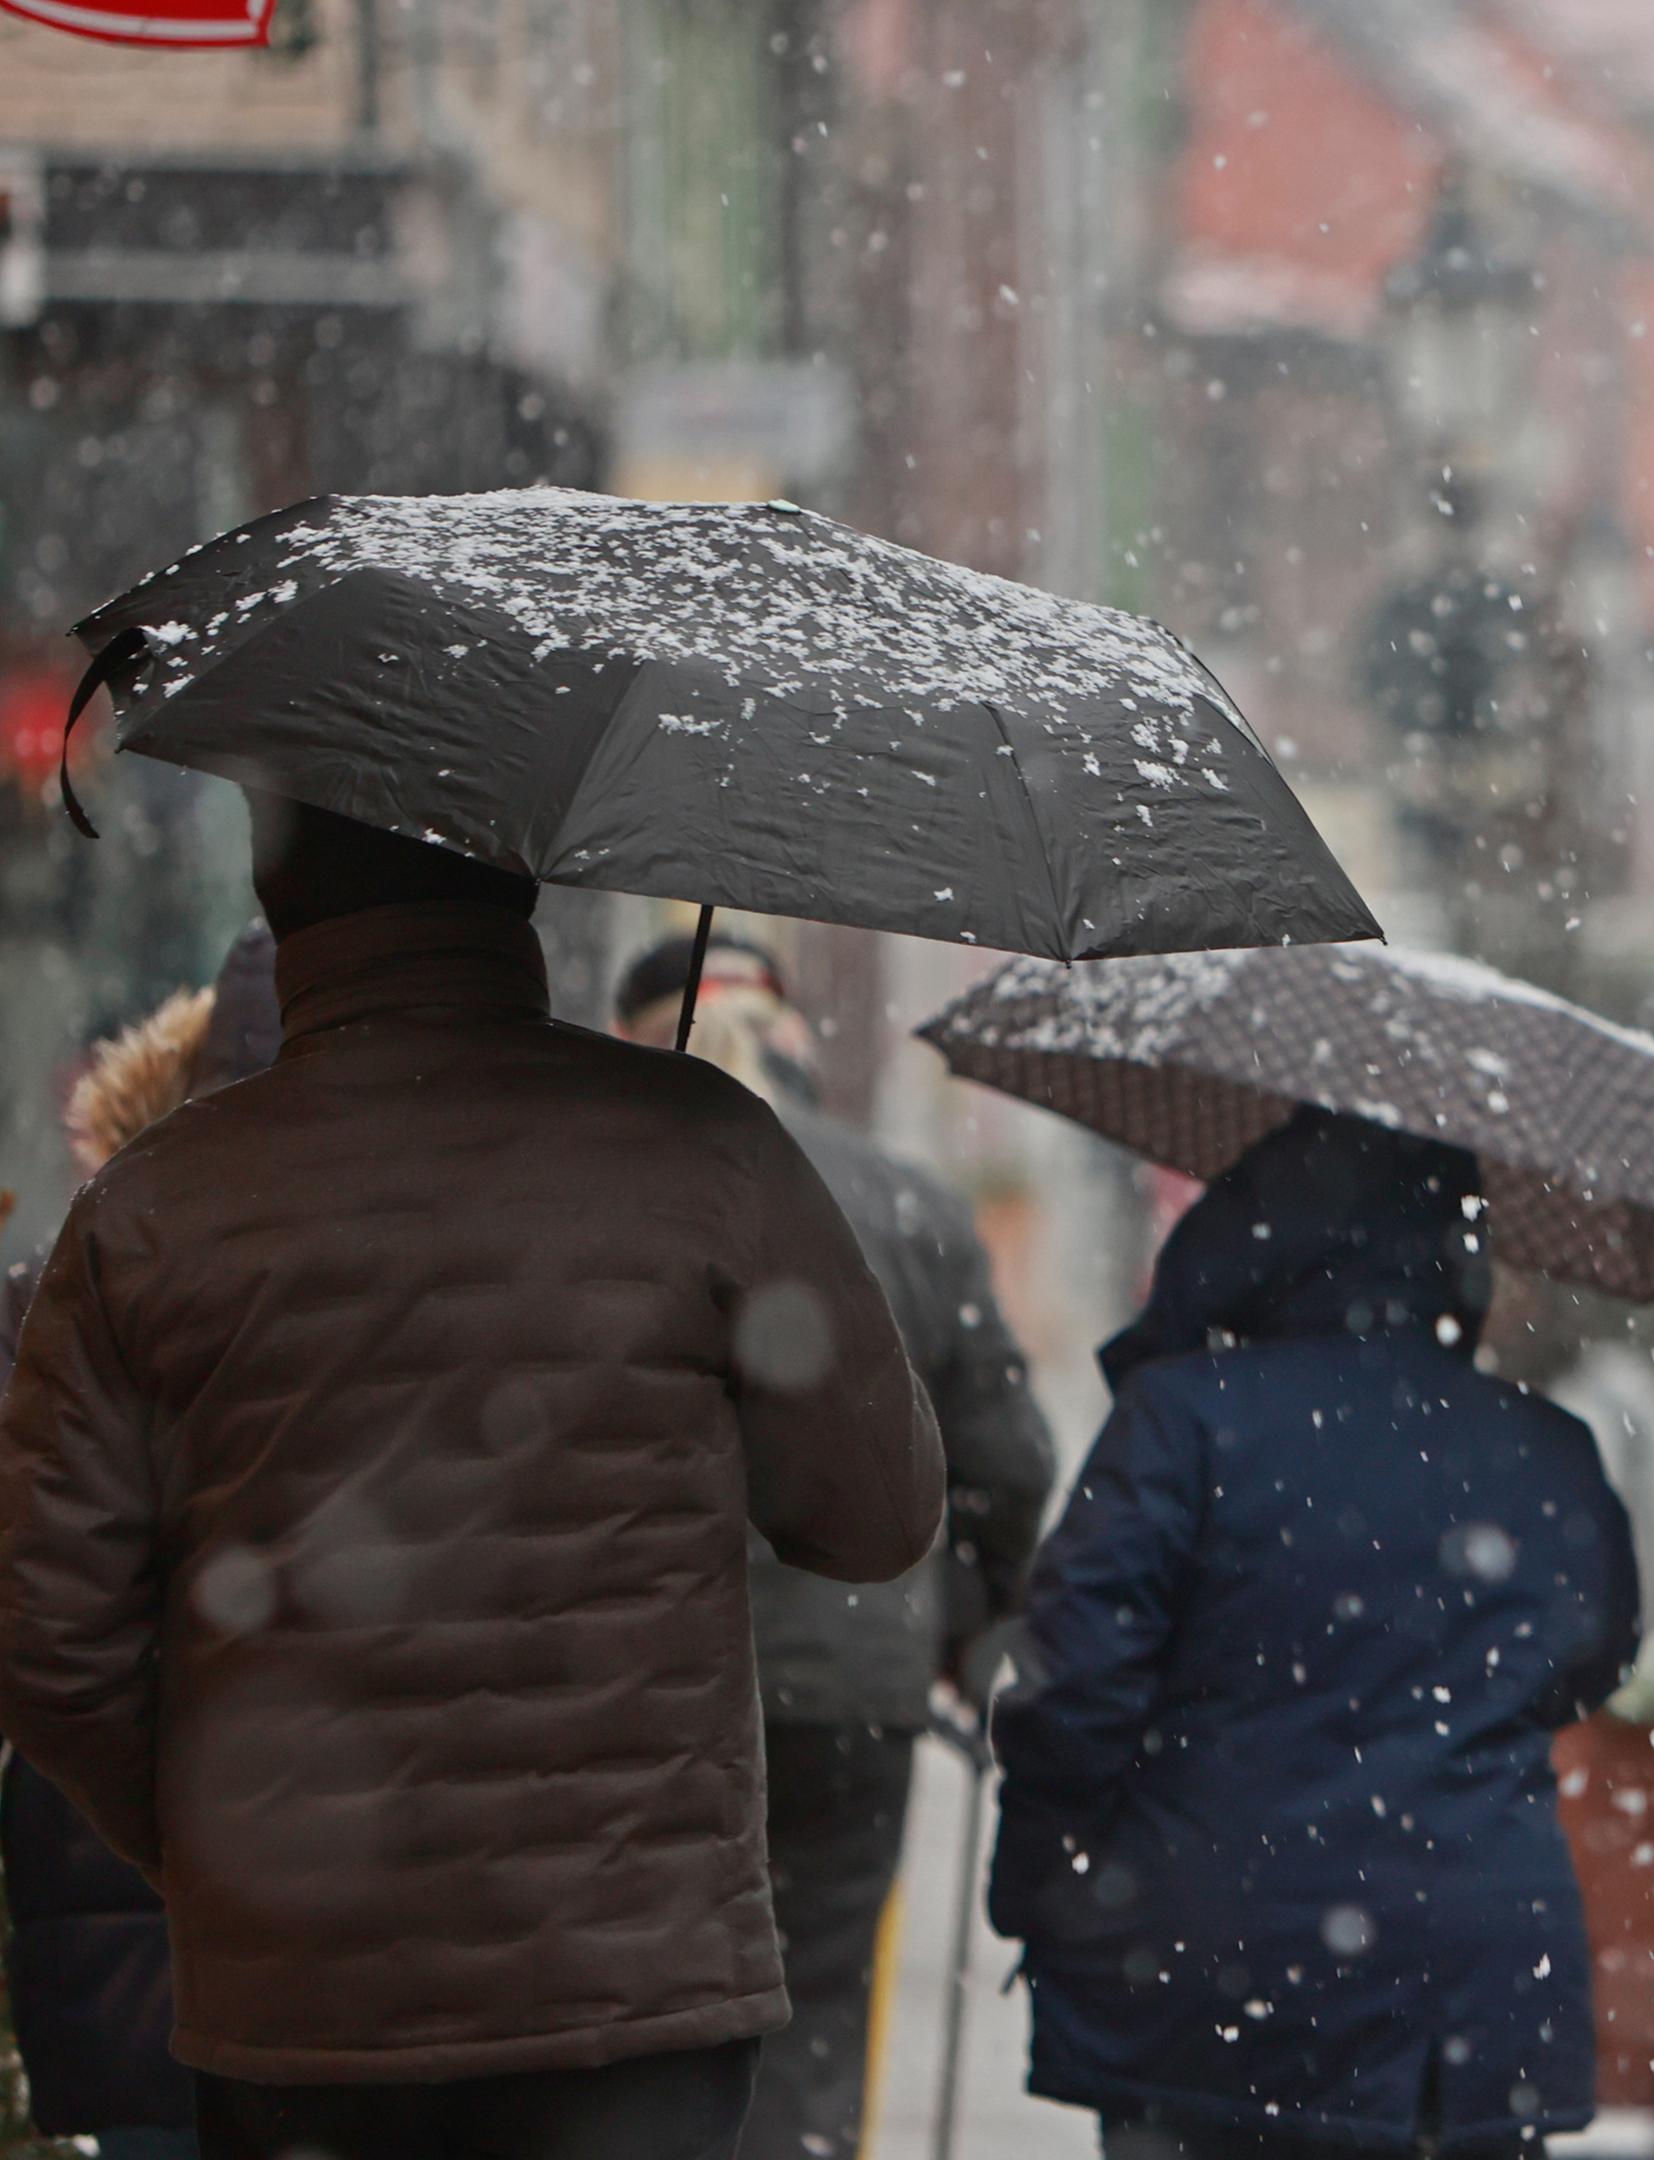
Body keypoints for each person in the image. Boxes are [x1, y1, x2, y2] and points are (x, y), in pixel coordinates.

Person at [0, 802, 946, 2160]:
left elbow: (45, 1633)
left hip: (302, 2007)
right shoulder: (698, 1147)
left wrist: (220, 1849)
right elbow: (877, 1516)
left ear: (277, 894)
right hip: (632, 2000)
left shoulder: (152, 1209)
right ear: (522, 884)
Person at [989, 1111, 1639, 2160]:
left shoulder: (1184, 1421)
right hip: (1466, 1991)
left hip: (1219, 1972)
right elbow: (1588, 1658)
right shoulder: (1545, 1450)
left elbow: (1072, 1686)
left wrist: (1040, 1886)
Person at [613, 933, 1058, 2160]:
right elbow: (1007, 1461)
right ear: (797, 1036)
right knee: (812, 2017)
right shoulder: (911, 1205)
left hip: (646, 1683)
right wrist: (967, 1622)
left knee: (649, 2018)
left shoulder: (608, 1199)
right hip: (852, 1684)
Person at [0, 922, 275, 2160]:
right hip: (377, 1986)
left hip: (122, 1964)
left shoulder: (62, 1290)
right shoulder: (445, 1309)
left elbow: (37, 1633)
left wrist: (149, 1821)